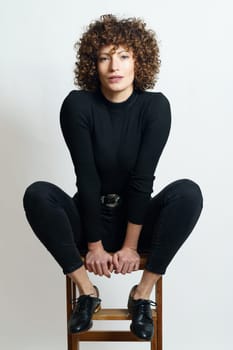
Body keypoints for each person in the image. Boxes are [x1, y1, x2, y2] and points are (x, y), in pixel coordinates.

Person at [23, 14, 203, 341]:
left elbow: (142, 179)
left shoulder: (155, 107)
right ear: (94, 63)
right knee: (37, 194)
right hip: (90, 218)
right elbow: (87, 177)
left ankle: (142, 295)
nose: (113, 66)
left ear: (138, 61)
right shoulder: (77, 105)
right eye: (105, 57)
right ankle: (87, 293)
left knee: (189, 193)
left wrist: (131, 247)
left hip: (137, 220)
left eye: (123, 56)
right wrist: (94, 245)